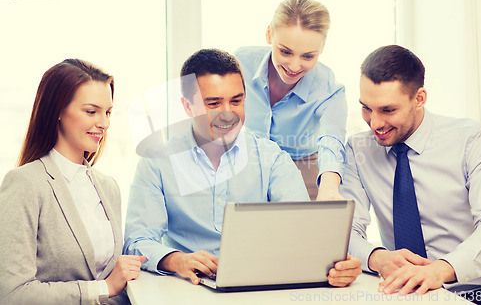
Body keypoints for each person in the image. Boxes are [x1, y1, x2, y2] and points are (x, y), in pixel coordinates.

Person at [124, 48, 361, 287]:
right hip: (185, 287)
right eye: (214, 103)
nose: (228, 114)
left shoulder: (272, 158)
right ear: (187, 107)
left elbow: (305, 236)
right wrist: (177, 261)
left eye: (236, 101)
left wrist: (338, 267)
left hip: (260, 286)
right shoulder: (157, 161)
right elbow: (137, 240)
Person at [341, 45, 481, 303]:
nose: (375, 123)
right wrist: (377, 258)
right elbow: (346, 230)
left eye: (388, 110)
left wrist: (441, 270)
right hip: (404, 292)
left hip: (478, 290)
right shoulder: (359, 149)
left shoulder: (471, 139)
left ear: (419, 99)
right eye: (366, 108)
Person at [0, 59, 144, 304]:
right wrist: (102, 288)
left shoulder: (108, 187)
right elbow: (13, 294)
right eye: (91, 111)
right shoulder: (25, 184)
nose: (105, 123)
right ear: (57, 110)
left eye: (108, 112)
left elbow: (116, 284)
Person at [234, 0, 347, 201]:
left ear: (321, 48)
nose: (294, 66)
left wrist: (329, 188)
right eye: (285, 52)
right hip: (251, 164)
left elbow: (332, 140)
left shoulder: (329, 90)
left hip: (304, 168)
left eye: (308, 56)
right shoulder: (241, 63)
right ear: (269, 34)